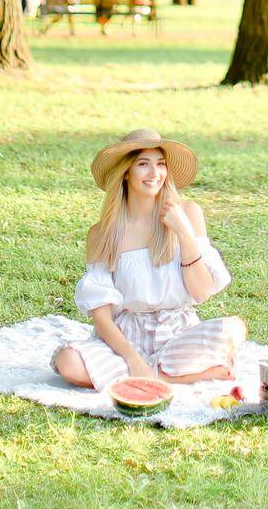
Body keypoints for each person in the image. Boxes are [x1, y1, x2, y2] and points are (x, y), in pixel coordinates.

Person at [52, 130, 246, 390]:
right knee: (68, 362)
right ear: (125, 172)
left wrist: (184, 234)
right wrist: (133, 359)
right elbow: (101, 314)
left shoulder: (188, 212)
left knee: (232, 331)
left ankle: (153, 375)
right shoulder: (102, 233)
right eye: (143, 164)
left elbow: (200, 293)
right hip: (125, 337)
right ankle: (168, 375)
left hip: (178, 332)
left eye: (160, 164)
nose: (155, 174)